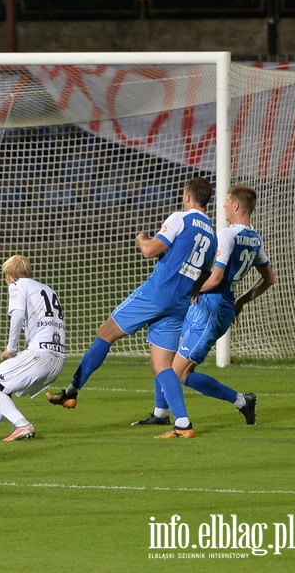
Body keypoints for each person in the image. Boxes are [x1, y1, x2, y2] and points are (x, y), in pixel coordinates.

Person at [46, 176, 217, 439]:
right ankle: (183, 423)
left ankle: (72, 392)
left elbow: (149, 250)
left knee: (106, 332)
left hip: (155, 294)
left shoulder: (179, 219)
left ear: (187, 196)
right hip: (179, 303)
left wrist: (141, 237)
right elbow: (205, 275)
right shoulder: (212, 235)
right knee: (162, 366)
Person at [133, 184, 275, 428]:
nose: (224, 206)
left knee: (177, 373)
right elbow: (269, 278)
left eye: (227, 202)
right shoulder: (255, 240)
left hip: (212, 308)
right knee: (167, 357)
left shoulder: (228, 235)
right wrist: (240, 301)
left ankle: (229, 405)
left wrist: (192, 290)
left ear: (237, 205)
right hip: (215, 304)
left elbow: (217, 277)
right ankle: (161, 413)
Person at [0, 255, 66, 442]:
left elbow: (17, 316)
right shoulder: (49, 290)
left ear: (10, 275)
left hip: (39, 355)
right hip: (58, 358)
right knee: (2, 386)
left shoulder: (18, 284)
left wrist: (10, 348)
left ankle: (22, 425)